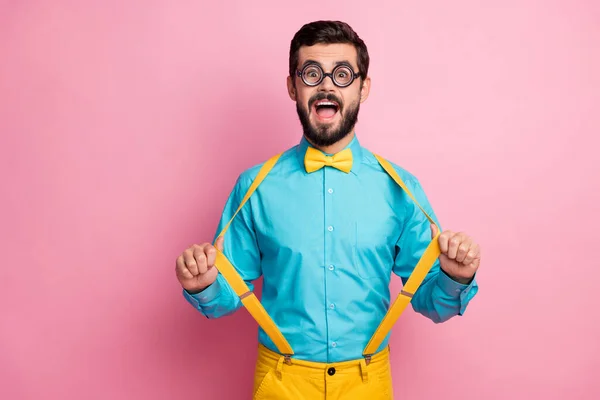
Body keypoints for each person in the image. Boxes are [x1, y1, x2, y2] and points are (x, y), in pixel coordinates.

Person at [175, 20, 481, 400]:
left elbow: (433, 304)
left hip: (367, 383)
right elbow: (223, 300)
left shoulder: (401, 189)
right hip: (281, 382)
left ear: (362, 87)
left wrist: (455, 277)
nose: (327, 86)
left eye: (342, 74)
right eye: (312, 73)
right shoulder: (254, 187)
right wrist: (201, 283)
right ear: (293, 86)